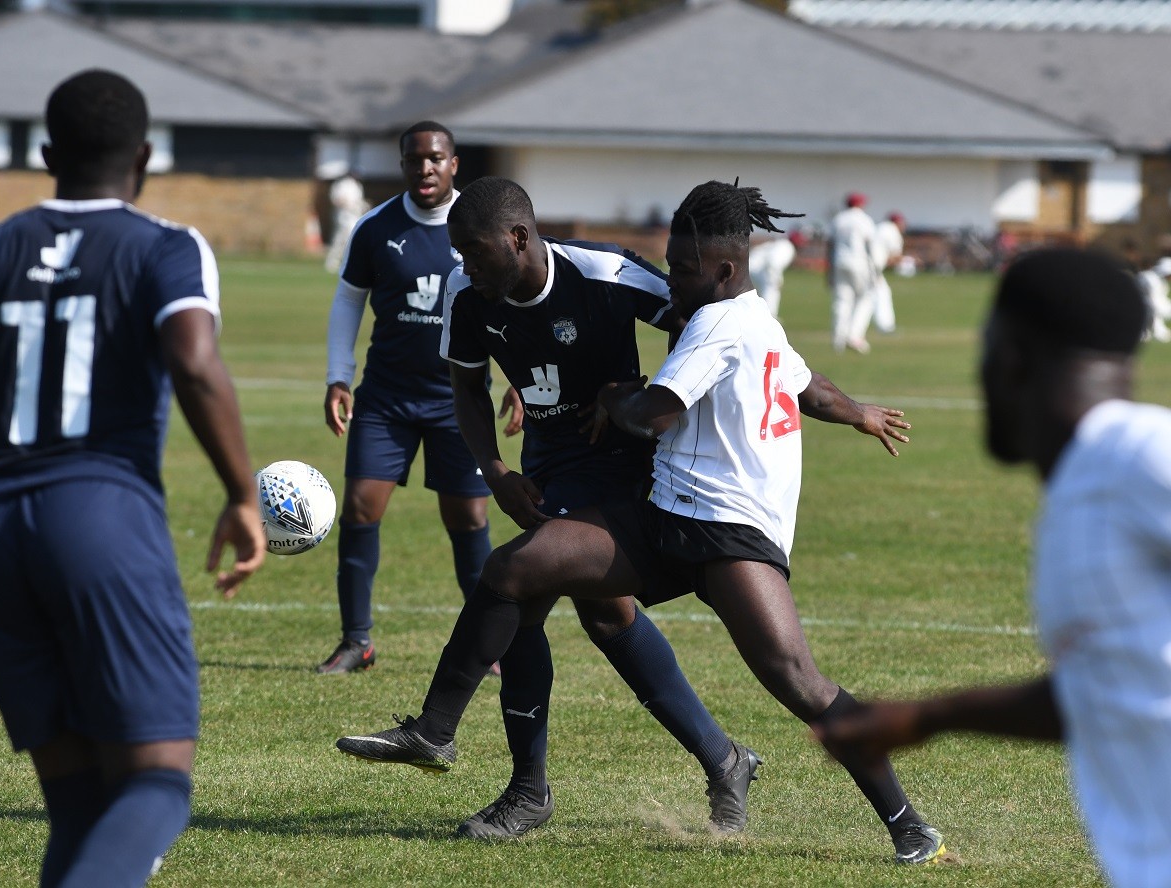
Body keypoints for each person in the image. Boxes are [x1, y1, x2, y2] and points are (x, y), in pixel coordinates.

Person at [337, 180, 946, 866]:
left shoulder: (716, 321)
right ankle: (446, 735)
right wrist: (858, 411)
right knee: (518, 571)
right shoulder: (749, 318)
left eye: (681, 271)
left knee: (797, 678)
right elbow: (803, 385)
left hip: (726, 531)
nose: (669, 284)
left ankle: (905, 822)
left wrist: (614, 395)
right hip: (662, 515)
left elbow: (655, 412)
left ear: (721, 270)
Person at [340, 176, 762, 841]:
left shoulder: (606, 271)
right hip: (543, 469)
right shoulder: (467, 294)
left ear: (518, 238)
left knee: (518, 579)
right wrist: (496, 472)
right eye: (458, 253)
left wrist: (644, 393)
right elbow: (468, 386)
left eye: (475, 252)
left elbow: (705, 318)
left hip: (623, 469)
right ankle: (723, 759)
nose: (465, 267)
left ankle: (466, 748)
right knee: (600, 613)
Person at [0, 69, 265, 887]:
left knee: (75, 803)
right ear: (143, 156)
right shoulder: (164, 245)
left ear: (45, 153)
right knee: (155, 782)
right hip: (98, 511)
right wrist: (243, 495)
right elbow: (195, 360)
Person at [816, 248, 1166, 886]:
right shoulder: (1083, 485)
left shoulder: (1139, 454)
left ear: (1008, 357)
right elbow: (1104, 693)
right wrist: (930, 718)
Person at [318, 121, 521, 674]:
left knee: (467, 516)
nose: (424, 168)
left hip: (460, 400)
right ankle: (356, 641)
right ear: (404, 165)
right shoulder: (374, 227)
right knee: (361, 505)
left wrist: (520, 383)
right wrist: (340, 374)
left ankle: (487, 648)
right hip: (386, 397)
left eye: (435, 159)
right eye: (414, 160)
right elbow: (347, 301)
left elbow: (515, 306)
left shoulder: (482, 227)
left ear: (454, 163)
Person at [827, 192, 879, 353]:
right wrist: (875, 269)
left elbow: (830, 245)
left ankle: (838, 339)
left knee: (842, 300)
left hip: (839, 262)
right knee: (867, 298)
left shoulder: (839, 219)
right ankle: (855, 336)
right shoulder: (864, 219)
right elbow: (870, 245)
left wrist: (829, 270)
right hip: (859, 262)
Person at [324, 174, 369, 274]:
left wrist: (363, 205)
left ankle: (351, 263)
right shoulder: (341, 185)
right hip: (344, 215)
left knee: (353, 238)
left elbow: (358, 201)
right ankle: (332, 262)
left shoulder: (357, 186)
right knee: (341, 239)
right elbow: (337, 200)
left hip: (354, 216)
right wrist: (347, 205)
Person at [871, 212, 906, 334]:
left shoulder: (879, 227)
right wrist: (910, 260)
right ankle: (885, 326)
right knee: (881, 293)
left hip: (863, 264)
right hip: (872, 268)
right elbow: (895, 257)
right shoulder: (892, 231)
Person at [748, 233, 797, 317]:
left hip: (750, 267)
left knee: (752, 296)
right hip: (757, 269)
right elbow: (773, 262)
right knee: (772, 288)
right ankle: (769, 318)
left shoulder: (780, 243)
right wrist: (777, 278)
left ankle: (761, 317)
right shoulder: (787, 247)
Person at [1136, 256, 1171, 343]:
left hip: (1150, 304)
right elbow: (1153, 302)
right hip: (1143, 305)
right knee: (1153, 309)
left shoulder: (1161, 281)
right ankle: (1155, 332)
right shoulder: (1150, 278)